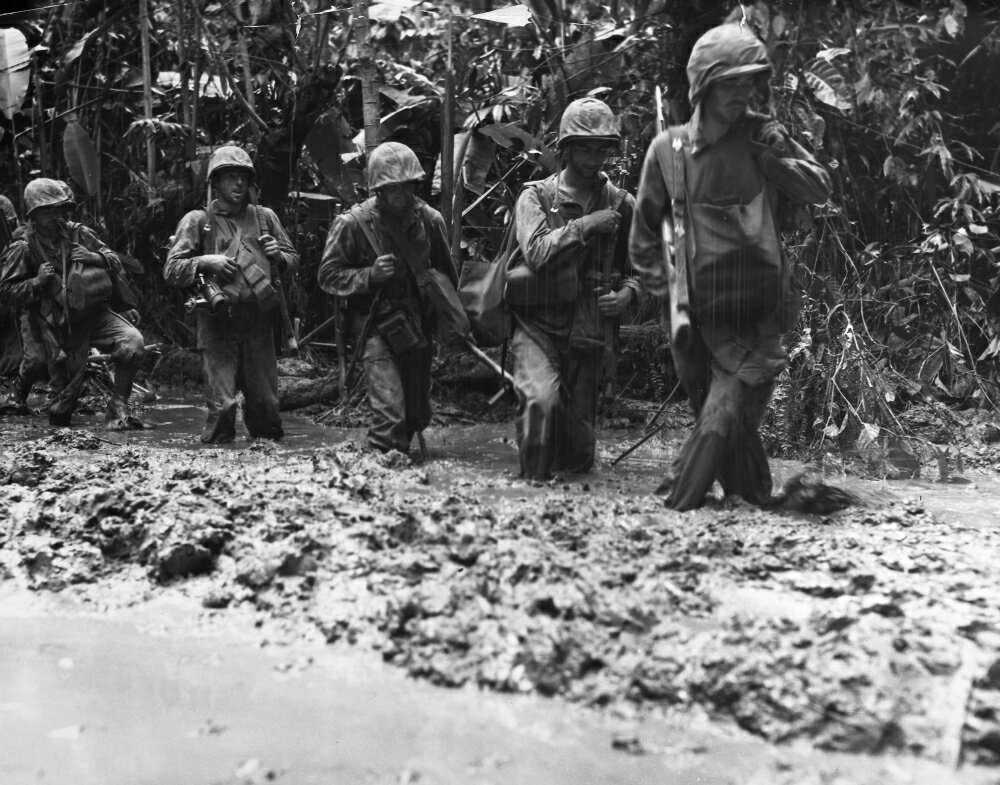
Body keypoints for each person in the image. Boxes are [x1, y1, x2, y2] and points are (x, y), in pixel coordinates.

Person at [629, 22, 832, 510]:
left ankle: (673, 510)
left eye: (749, 81)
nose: (743, 92)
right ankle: (760, 503)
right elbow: (641, 244)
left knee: (720, 419)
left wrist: (775, 156)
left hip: (758, 317)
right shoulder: (668, 152)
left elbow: (820, 188)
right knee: (727, 433)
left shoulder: (763, 136)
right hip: (695, 321)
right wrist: (671, 295)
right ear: (703, 85)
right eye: (731, 82)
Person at [503, 97, 640, 482]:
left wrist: (628, 293)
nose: (594, 158)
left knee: (579, 445)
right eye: (585, 148)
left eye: (601, 149)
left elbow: (644, 266)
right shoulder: (536, 197)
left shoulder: (622, 203)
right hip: (536, 325)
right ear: (566, 149)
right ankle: (530, 493)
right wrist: (587, 225)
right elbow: (537, 253)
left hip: (588, 328)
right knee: (540, 405)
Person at [317, 141, 458, 458]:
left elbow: (448, 279)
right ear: (378, 189)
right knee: (390, 414)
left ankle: (402, 476)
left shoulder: (430, 221)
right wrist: (369, 275)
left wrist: (449, 326)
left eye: (407, 186)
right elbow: (327, 276)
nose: (402, 195)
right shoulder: (352, 224)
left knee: (415, 416)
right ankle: (380, 474)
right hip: (375, 328)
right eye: (392, 188)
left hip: (417, 329)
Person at [165, 144, 299, 444]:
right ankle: (216, 469)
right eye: (230, 177)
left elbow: (293, 261)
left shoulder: (265, 217)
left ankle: (267, 472)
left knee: (266, 408)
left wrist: (279, 256)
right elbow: (171, 269)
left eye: (243, 177)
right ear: (215, 182)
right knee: (223, 408)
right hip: (217, 323)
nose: (238, 183)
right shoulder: (198, 221)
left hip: (258, 323)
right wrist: (204, 261)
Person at [0, 178, 148, 428]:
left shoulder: (79, 233)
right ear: (33, 215)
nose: (55, 215)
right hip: (57, 325)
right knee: (60, 411)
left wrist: (94, 257)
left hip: (95, 313)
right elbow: (5, 291)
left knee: (133, 342)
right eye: (47, 210)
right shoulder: (23, 248)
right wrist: (36, 282)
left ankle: (119, 403)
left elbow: (114, 260)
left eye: (58, 209)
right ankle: (23, 398)